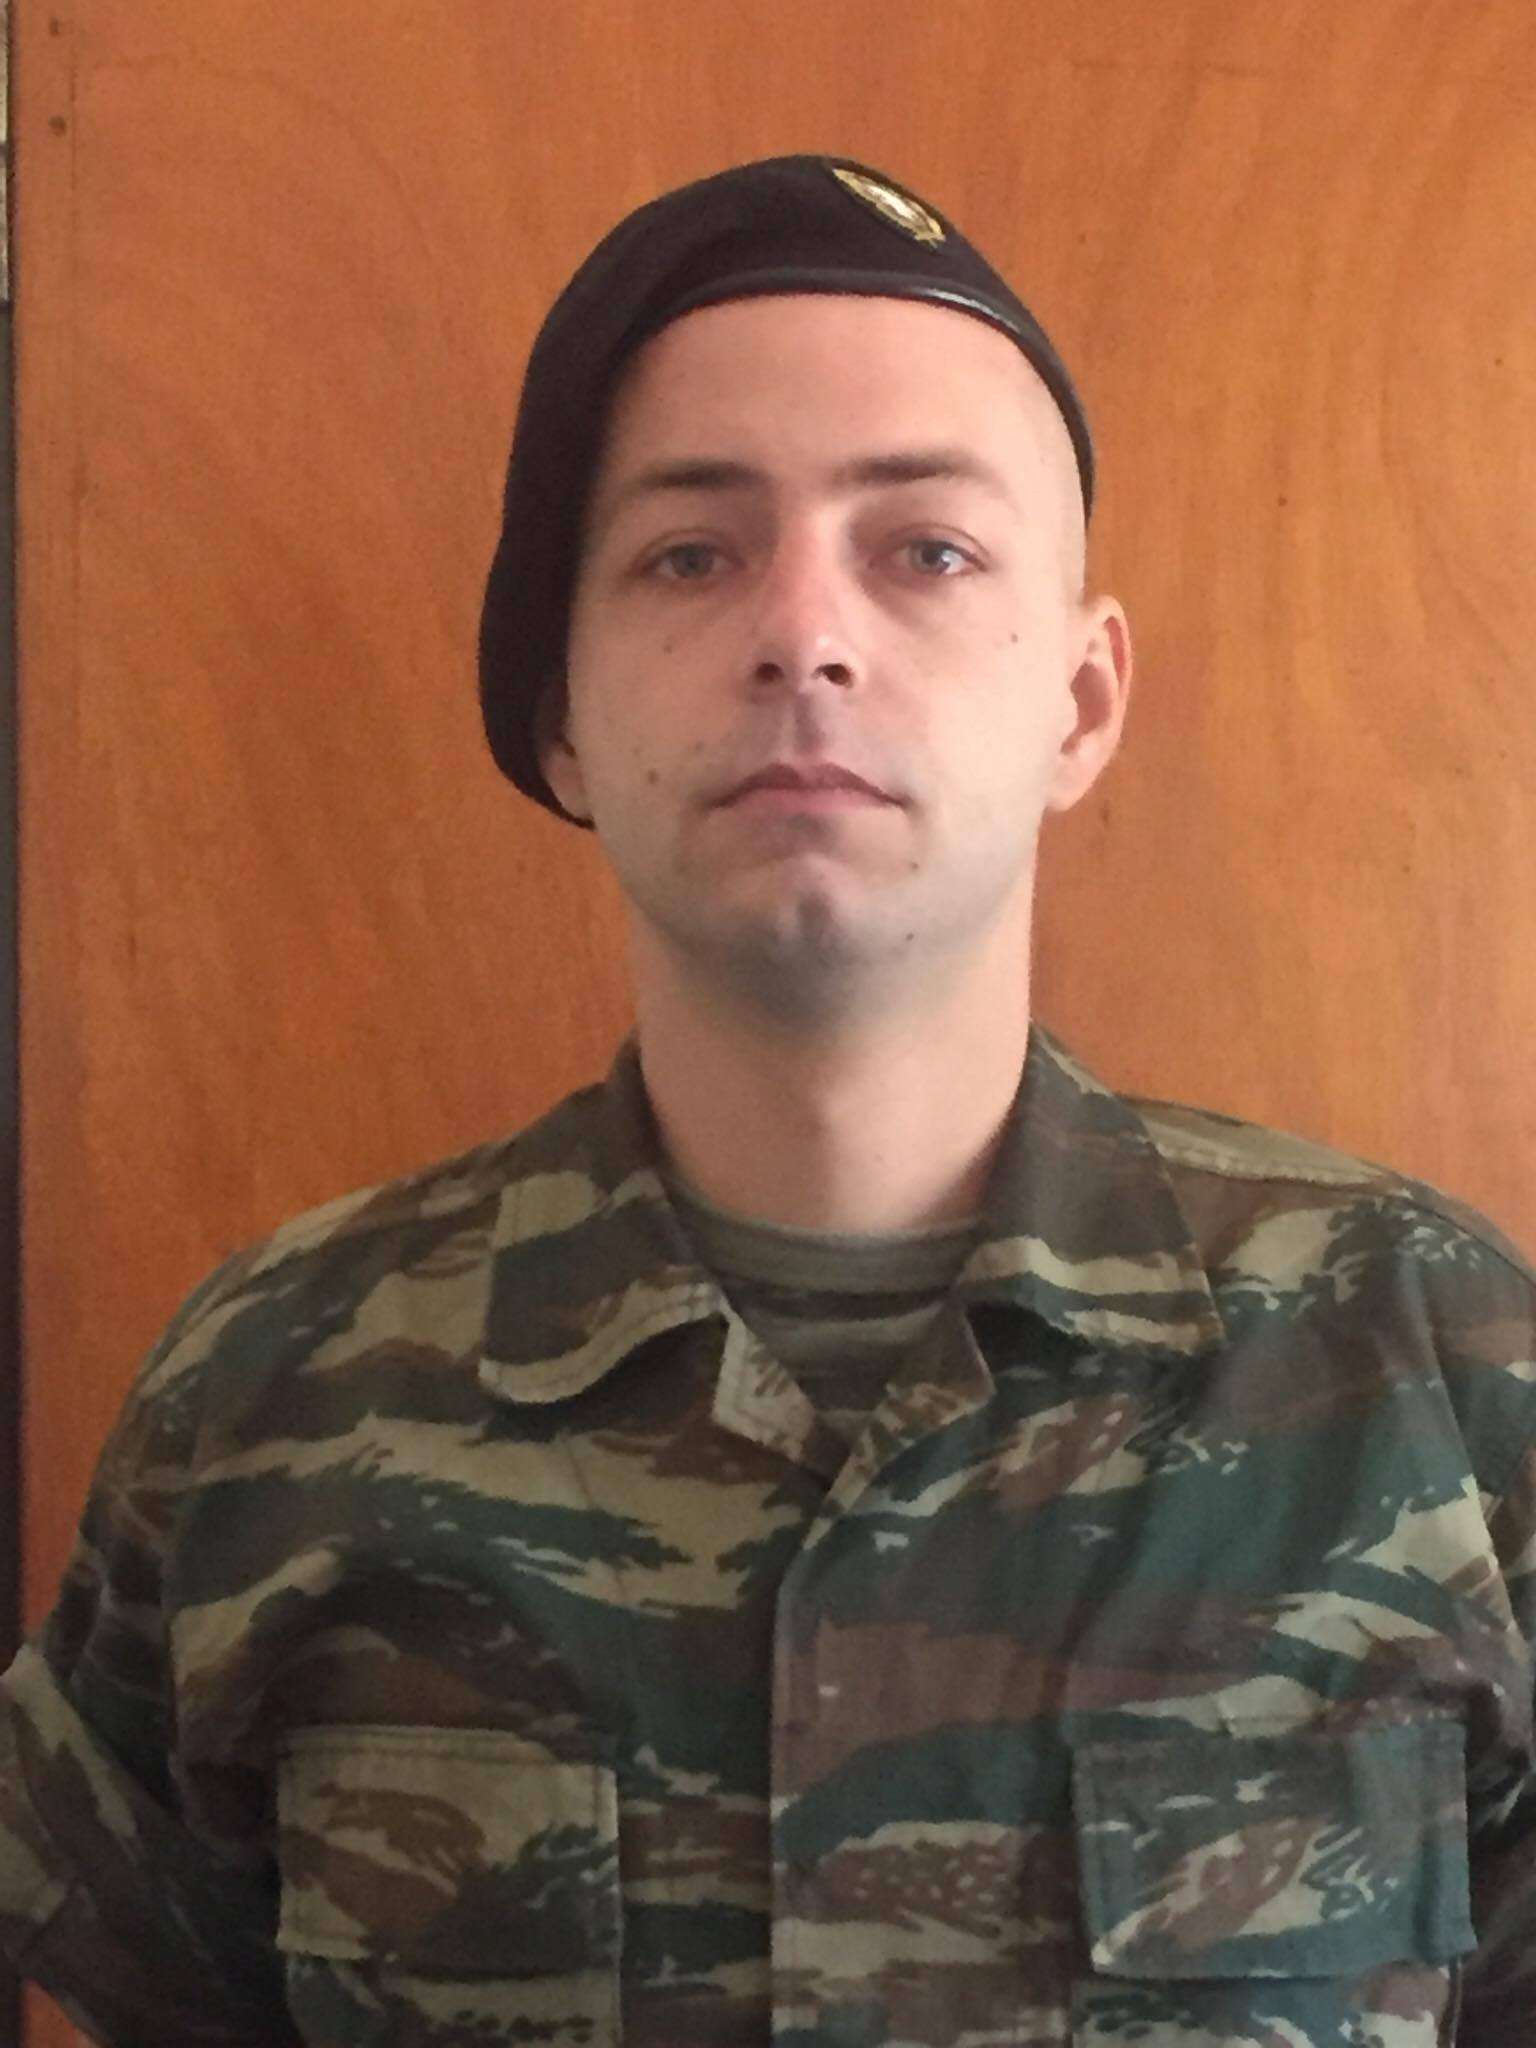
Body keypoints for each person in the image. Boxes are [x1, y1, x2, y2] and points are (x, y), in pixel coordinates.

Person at [2, 153, 1534, 2048]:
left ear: (1080, 701)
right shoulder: (269, 1404)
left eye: (927, 550)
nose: (803, 634)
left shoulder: (1438, 1373)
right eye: (691, 553)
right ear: (560, 710)